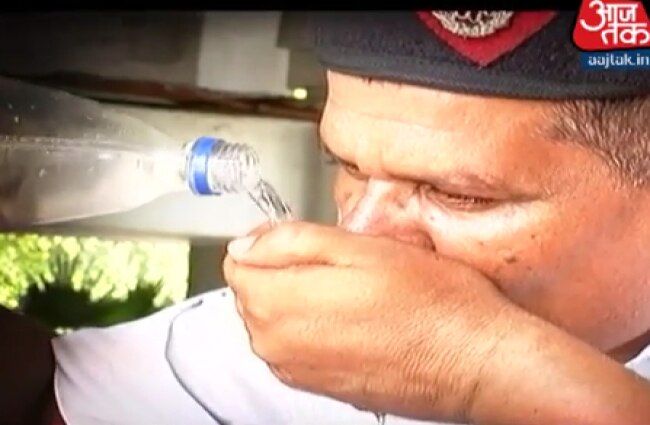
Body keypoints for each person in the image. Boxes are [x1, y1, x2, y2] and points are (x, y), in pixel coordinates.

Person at [4, 9, 650, 425]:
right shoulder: (307, 342)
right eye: (349, 167)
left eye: (460, 196)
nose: (361, 239)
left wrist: (480, 367)